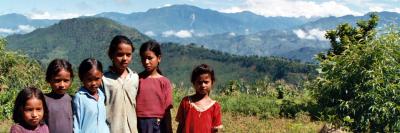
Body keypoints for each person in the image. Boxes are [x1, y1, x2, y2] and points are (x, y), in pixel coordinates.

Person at [101, 35, 139, 133]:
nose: (124, 58)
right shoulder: (103, 79)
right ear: (111, 55)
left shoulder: (134, 78)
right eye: (120, 54)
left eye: (128, 54)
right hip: (111, 129)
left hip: (132, 130)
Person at [136, 40, 173, 133]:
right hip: (139, 123)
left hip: (159, 124)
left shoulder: (164, 82)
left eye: (150, 58)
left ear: (159, 58)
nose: (146, 62)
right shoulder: (136, 79)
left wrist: (169, 129)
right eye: (143, 58)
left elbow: (167, 110)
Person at [176, 64, 223, 133]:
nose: (203, 85)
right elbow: (180, 125)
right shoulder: (186, 102)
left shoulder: (215, 106)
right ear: (193, 83)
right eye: (199, 82)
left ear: (212, 82)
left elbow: (214, 130)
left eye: (206, 82)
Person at [73, 58, 109, 133]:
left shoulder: (101, 95)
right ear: (81, 78)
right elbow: (76, 123)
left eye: (97, 79)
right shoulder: (80, 97)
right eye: (89, 79)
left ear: (102, 76)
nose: (93, 83)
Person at [44, 59, 74, 133]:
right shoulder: (43, 100)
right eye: (57, 80)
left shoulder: (73, 100)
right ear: (49, 79)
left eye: (66, 80)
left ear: (71, 80)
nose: (62, 85)